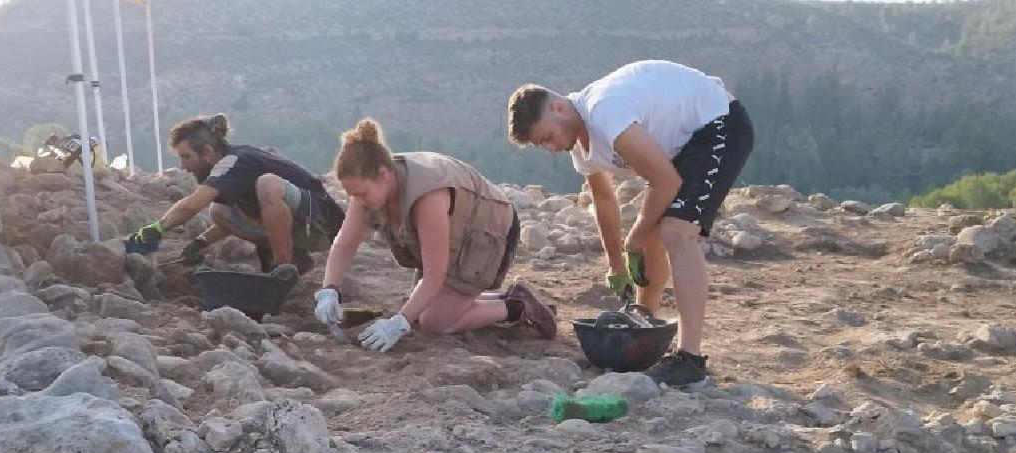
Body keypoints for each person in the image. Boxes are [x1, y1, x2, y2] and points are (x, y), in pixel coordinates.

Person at [507, 60, 754, 388]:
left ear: (559, 106)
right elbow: (605, 202)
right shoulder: (581, 149)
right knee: (652, 224)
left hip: (719, 123)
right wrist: (615, 265)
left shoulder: (604, 112)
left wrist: (632, 241)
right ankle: (644, 323)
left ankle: (690, 361)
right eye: (543, 146)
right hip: (686, 143)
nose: (551, 149)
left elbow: (665, 181)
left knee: (676, 231)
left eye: (548, 137)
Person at [314, 118, 555, 353]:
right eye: (352, 194)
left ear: (383, 174)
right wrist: (330, 291)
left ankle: (518, 306)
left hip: (490, 231)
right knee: (419, 310)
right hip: (453, 236)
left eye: (362, 193)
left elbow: (434, 275)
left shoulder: (428, 197)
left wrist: (399, 324)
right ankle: (504, 296)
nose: (357, 201)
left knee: (434, 322)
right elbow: (344, 245)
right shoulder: (367, 193)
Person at [126, 114, 344, 274]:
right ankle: (296, 258)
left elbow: (190, 206)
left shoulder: (234, 161)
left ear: (208, 153)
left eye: (186, 157)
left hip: (321, 221)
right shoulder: (228, 169)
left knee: (267, 184)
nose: (183, 166)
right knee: (219, 210)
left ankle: (283, 269)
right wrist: (201, 242)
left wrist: (156, 228)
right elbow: (230, 220)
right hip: (301, 225)